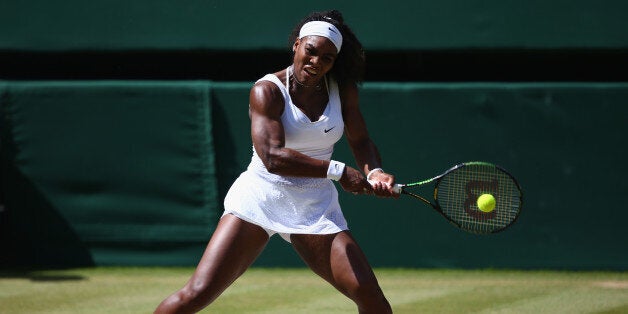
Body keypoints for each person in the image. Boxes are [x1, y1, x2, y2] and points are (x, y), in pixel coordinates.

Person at [155, 9, 397, 314]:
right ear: (296, 45)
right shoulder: (267, 90)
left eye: (327, 58)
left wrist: (374, 170)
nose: (316, 62)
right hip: (261, 197)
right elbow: (272, 157)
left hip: (314, 206)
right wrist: (338, 171)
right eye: (311, 51)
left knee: (372, 298)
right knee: (196, 293)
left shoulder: (342, 90)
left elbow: (360, 140)